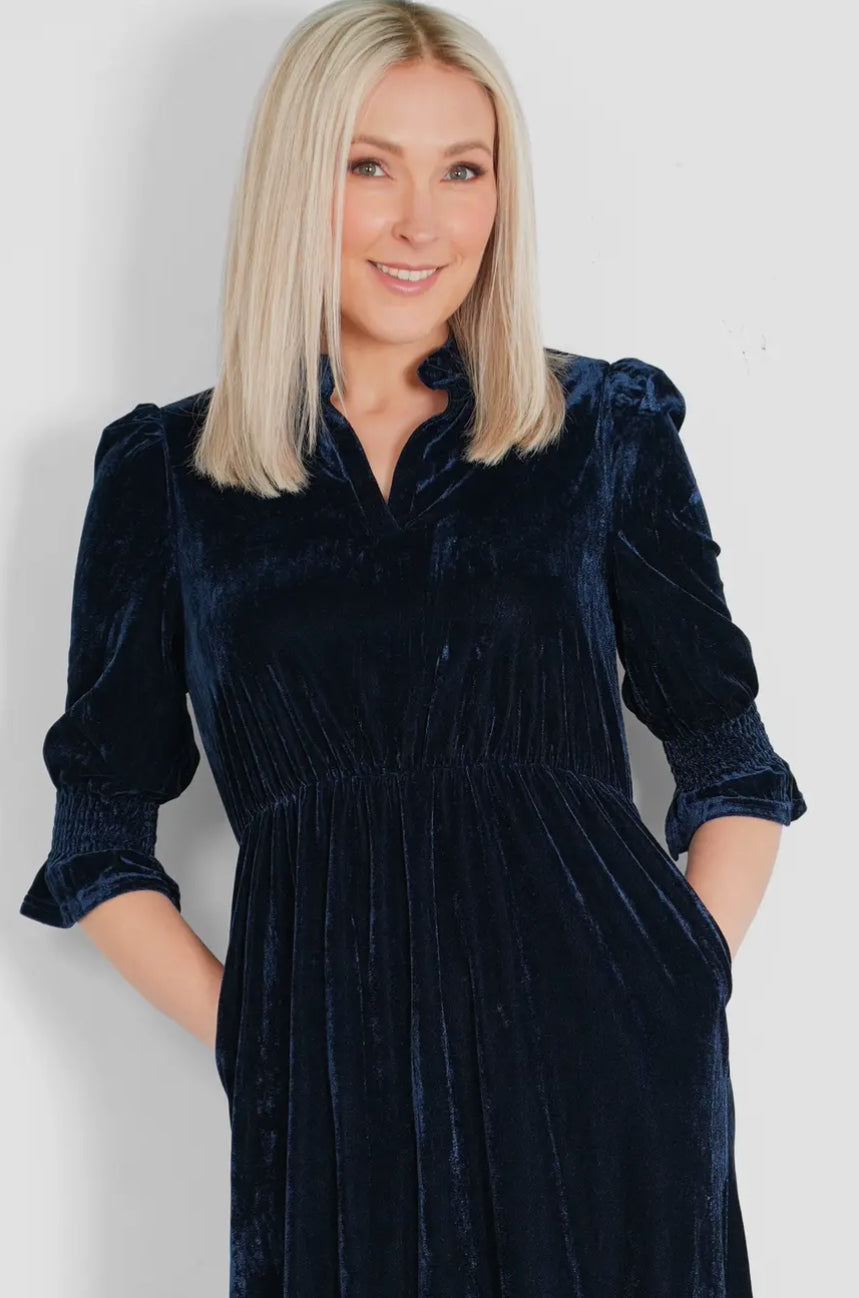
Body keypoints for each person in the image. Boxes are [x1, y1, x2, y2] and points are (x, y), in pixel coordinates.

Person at [20, 1, 808, 1293]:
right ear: (297, 181)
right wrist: (271, 1044)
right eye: (371, 166)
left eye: (464, 170)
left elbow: (729, 758)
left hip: (613, 1082)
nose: (423, 224)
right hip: (336, 1114)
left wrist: (668, 983)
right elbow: (98, 835)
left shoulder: (603, 430)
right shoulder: (167, 475)